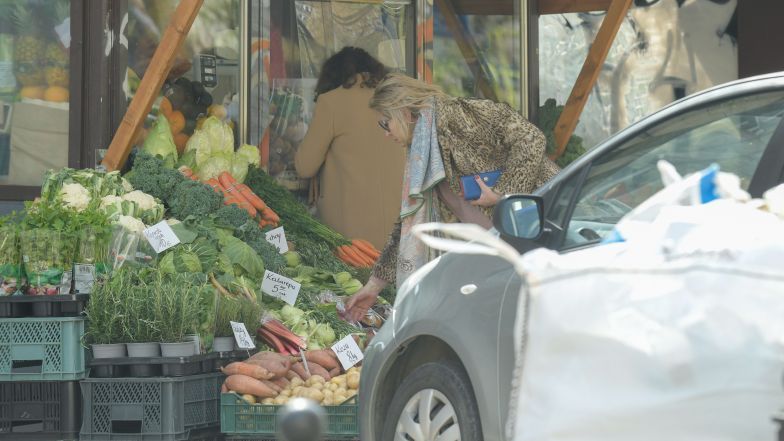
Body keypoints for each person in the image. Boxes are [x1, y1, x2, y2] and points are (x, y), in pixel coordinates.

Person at [343, 73, 561, 321]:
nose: (385, 133)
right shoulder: (422, 154)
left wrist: (504, 190)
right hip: (504, 249)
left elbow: (531, 138)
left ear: (402, 113)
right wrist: (373, 287)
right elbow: (408, 225)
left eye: (385, 123)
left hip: (543, 226)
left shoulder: (460, 115)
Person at [294, 47, 405, 249]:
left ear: (332, 76)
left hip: (351, 238)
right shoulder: (397, 101)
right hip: (400, 230)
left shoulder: (332, 102)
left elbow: (305, 166)